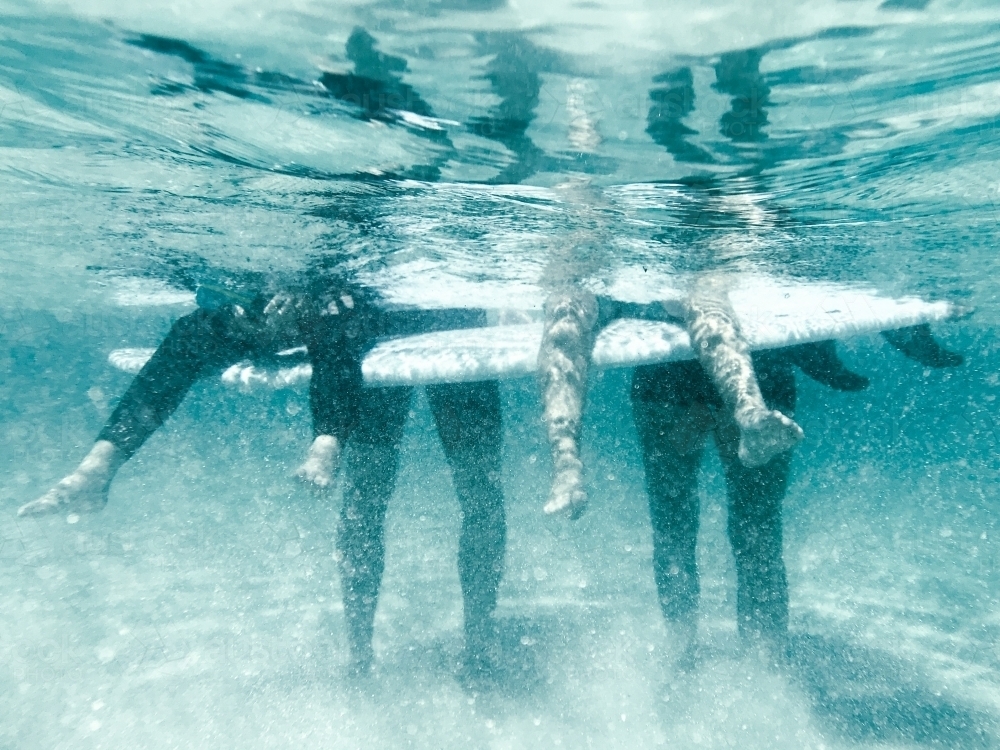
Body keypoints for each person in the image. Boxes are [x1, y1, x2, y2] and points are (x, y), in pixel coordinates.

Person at [18, 276, 507, 680]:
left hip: (449, 318)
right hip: (378, 332)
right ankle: (362, 657)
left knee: (472, 491)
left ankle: (477, 648)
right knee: (371, 500)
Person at [631, 330, 963, 661]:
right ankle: (759, 664)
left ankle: (686, 651)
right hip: (752, 377)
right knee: (753, 532)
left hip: (672, 378)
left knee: (677, 524)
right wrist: (826, 360)